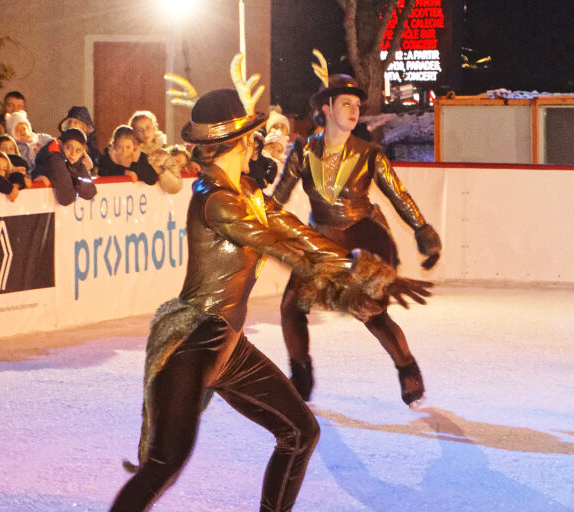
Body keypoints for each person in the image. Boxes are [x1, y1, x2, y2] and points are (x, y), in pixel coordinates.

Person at [111, 80, 431, 510]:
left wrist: (374, 274)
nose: (257, 144)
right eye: (252, 137)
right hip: (192, 344)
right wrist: (366, 275)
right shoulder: (217, 201)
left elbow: (299, 234)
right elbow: (283, 249)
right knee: (164, 464)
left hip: (226, 344)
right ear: (239, 142)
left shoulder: (245, 192)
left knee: (301, 433)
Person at [272, 74, 442, 406]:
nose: (354, 111)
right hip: (321, 241)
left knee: (370, 312)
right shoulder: (303, 150)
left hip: (364, 238)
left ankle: (407, 368)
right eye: (346, 104)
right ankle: (301, 376)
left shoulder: (369, 153)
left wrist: (424, 232)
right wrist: (249, 214)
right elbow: (277, 199)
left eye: (357, 106)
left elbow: (399, 196)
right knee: (291, 308)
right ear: (326, 108)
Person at [33, 128, 97, 206]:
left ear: (82, 152)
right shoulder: (54, 158)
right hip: (37, 203)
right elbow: (66, 198)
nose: (73, 154)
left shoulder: (76, 161)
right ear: (61, 144)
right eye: (68, 148)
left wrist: (75, 182)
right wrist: (76, 183)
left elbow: (90, 192)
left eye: (78, 150)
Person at [58, 105, 101, 170]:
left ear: (85, 127)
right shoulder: (60, 143)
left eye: (76, 123)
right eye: (70, 122)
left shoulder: (92, 148)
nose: (71, 125)